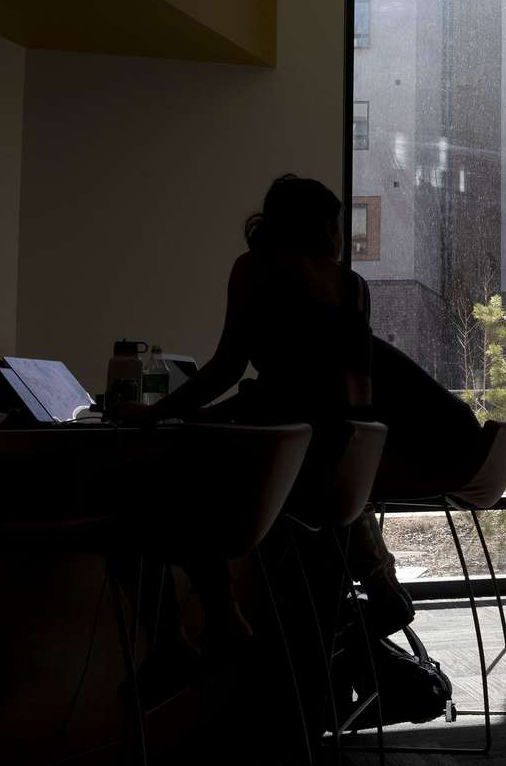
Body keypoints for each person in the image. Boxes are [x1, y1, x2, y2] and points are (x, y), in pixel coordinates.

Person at [111, 174, 411, 703]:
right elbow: (355, 394)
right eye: (337, 223)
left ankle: (205, 626)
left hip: (278, 460)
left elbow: (229, 366)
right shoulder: (353, 286)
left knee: (141, 495)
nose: (341, 235)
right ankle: (373, 571)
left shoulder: (256, 268)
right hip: (332, 466)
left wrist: (160, 414)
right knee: (190, 475)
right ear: (322, 227)